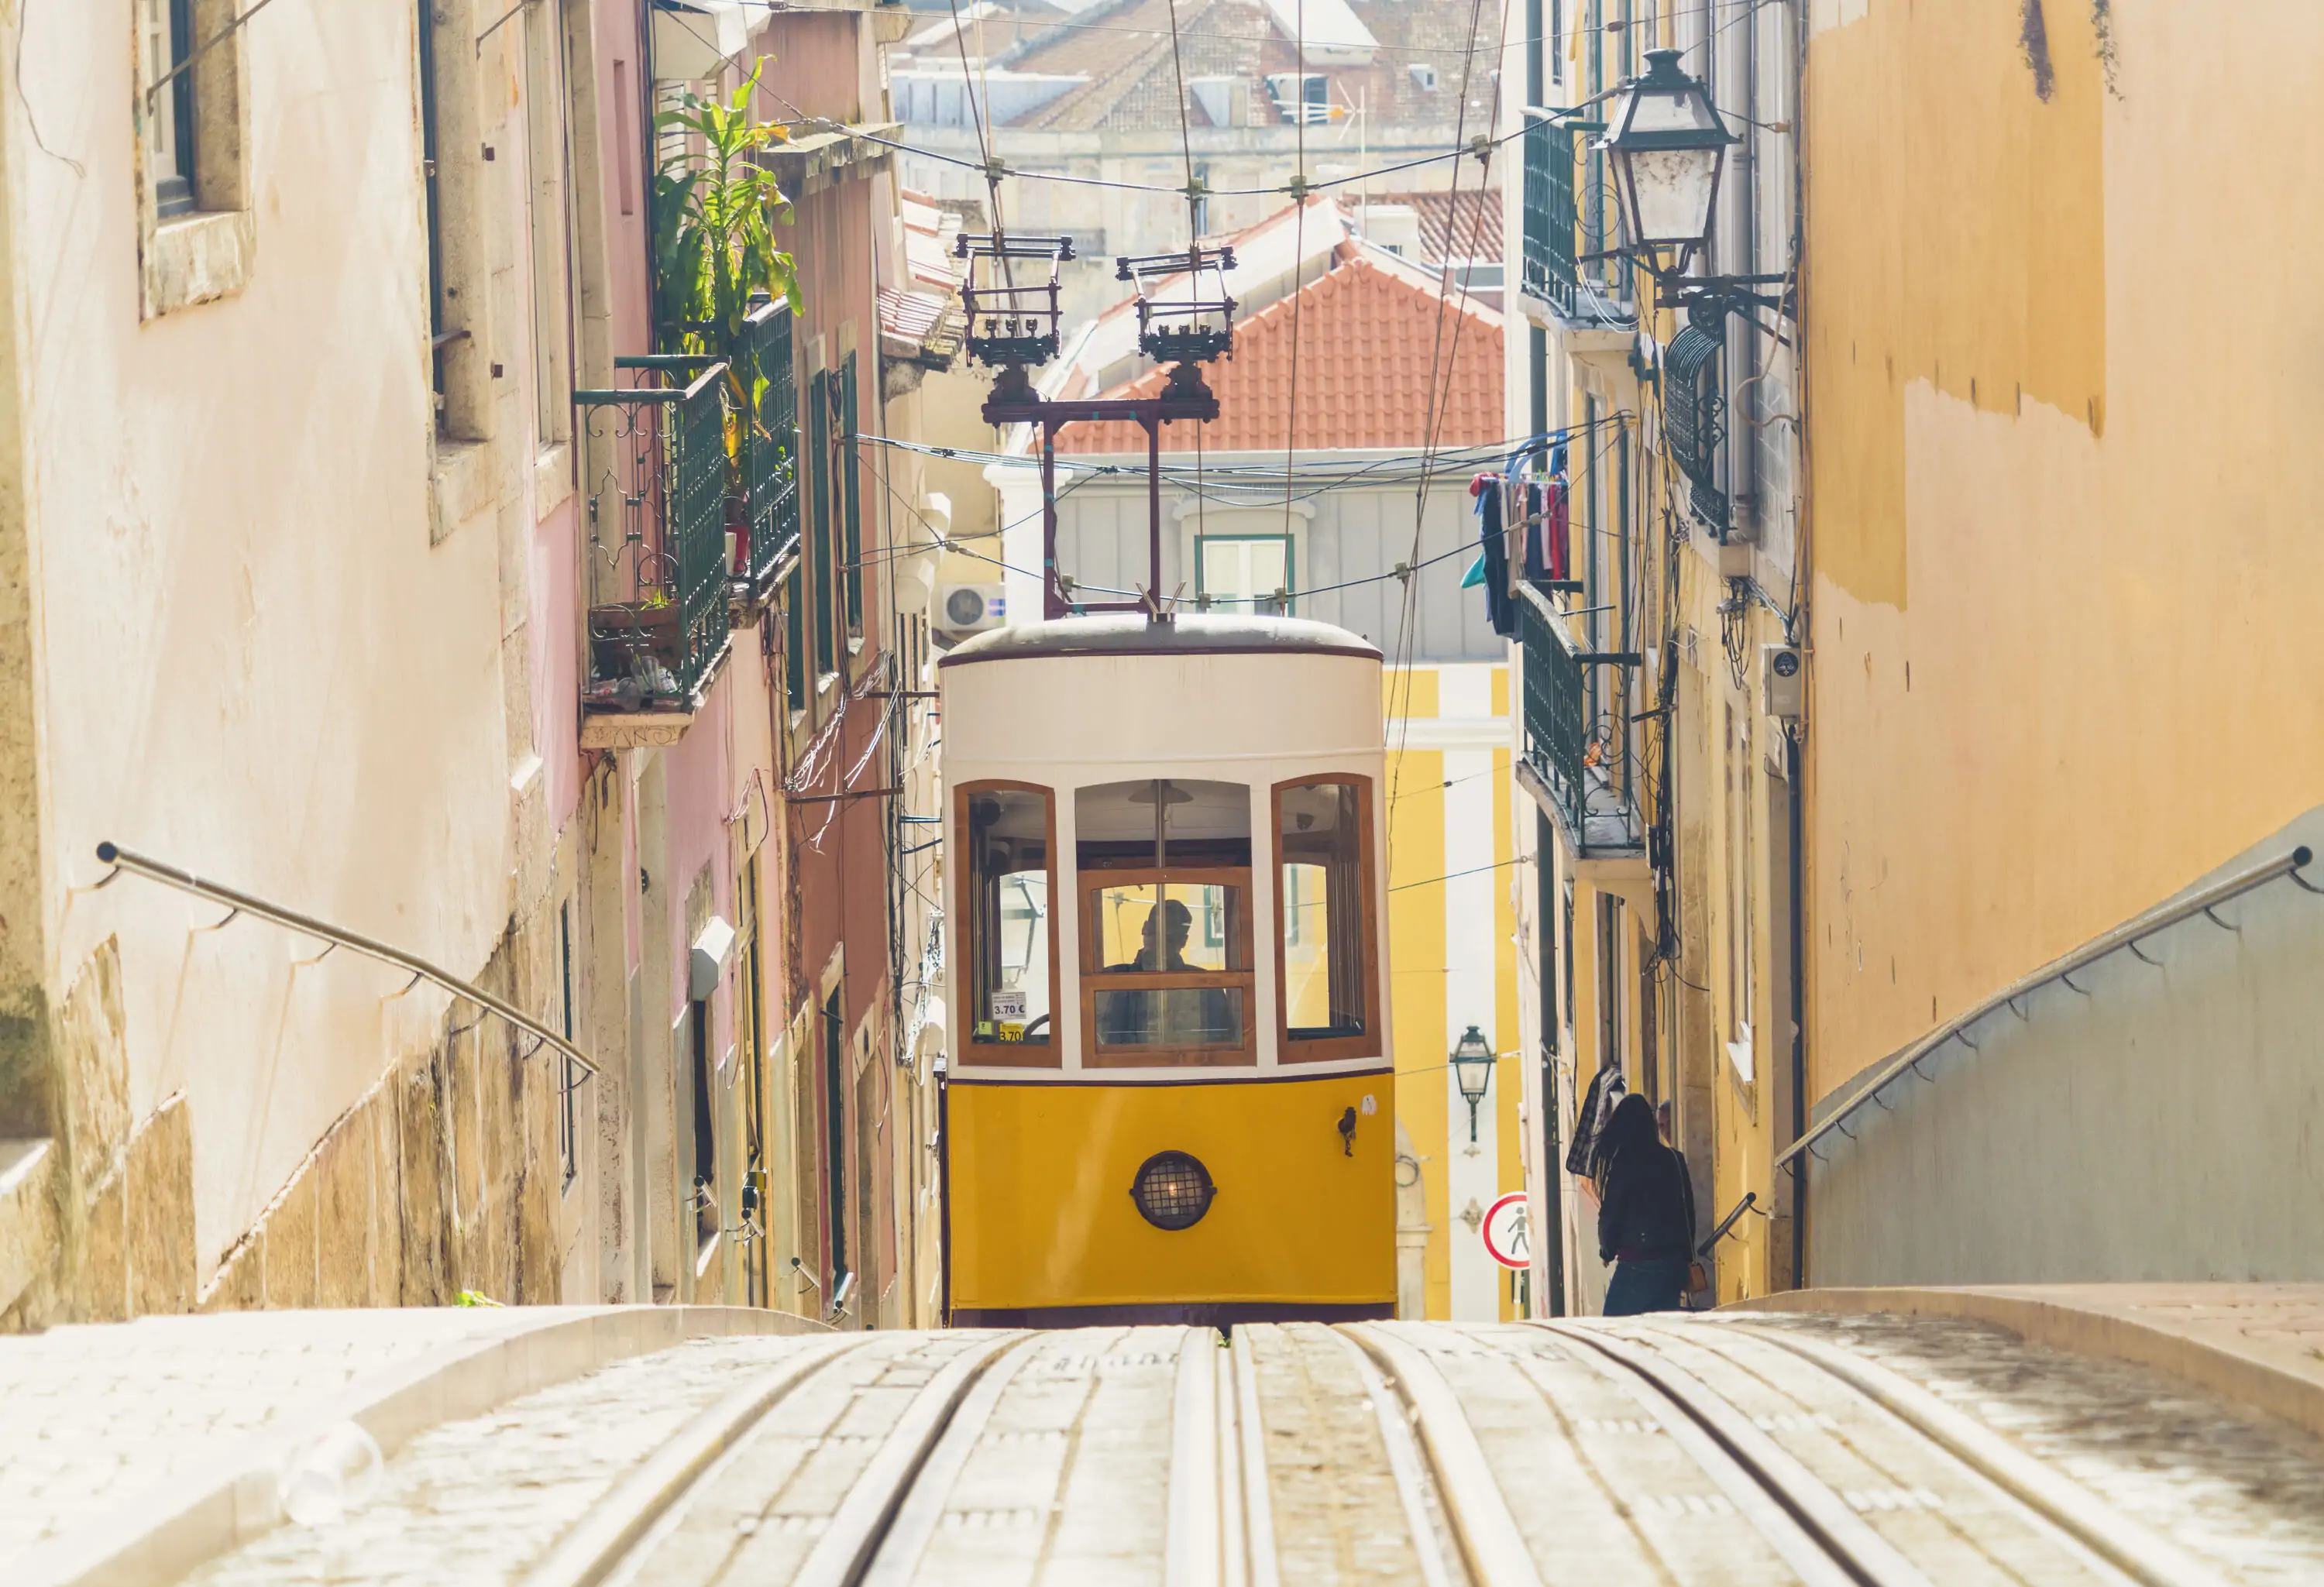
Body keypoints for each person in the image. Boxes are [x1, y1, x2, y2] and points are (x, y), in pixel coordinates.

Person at [1593, 1093, 1697, 1316]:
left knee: (1613, 1328)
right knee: (1661, 1330)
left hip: (1638, 1264)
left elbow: (1612, 1213)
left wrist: (1606, 1251)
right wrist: (1687, 1258)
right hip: (1673, 1265)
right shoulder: (1674, 1159)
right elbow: (1688, 1212)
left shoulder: (1624, 1164)